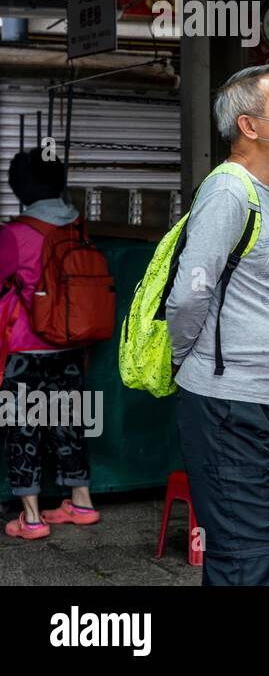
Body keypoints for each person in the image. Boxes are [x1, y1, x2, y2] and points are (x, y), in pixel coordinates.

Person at [168, 63, 269, 585]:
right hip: (228, 403)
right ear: (249, 126)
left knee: (243, 545)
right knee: (253, 550)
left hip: (262, 401)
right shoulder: (228, 191)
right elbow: (190, 295)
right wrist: (191, 361)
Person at [0, 150, 99, 540]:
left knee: (22, 426)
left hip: (25, 349)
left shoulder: (15, 234)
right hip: (72, 344)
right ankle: (81, 502)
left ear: (21, 189)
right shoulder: (79, 226)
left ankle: (33, 518)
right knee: (68, 420)